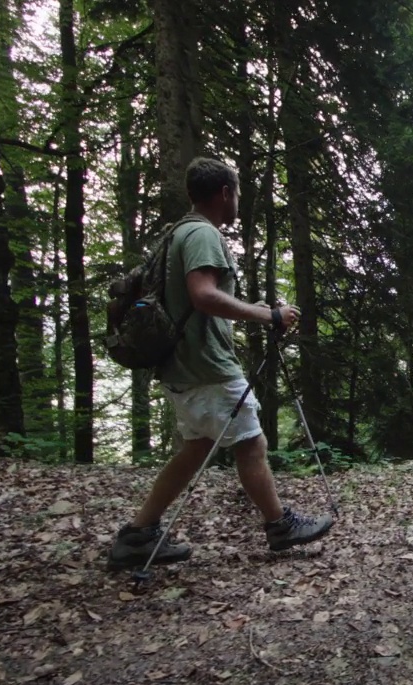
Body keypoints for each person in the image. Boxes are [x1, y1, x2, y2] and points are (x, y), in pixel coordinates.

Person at [107, 157, 334, 570]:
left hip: (182, 365)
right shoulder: (202, 235)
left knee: (194, 449)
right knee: (252, 443)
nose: (239, 202)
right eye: (238, 193)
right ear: (225, 193)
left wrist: (256, 309)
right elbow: (204, 295)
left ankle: (138, 534)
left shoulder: (178, 232)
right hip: (206, 365)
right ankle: (279, 525)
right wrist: (268, 316)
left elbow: (199, 299)